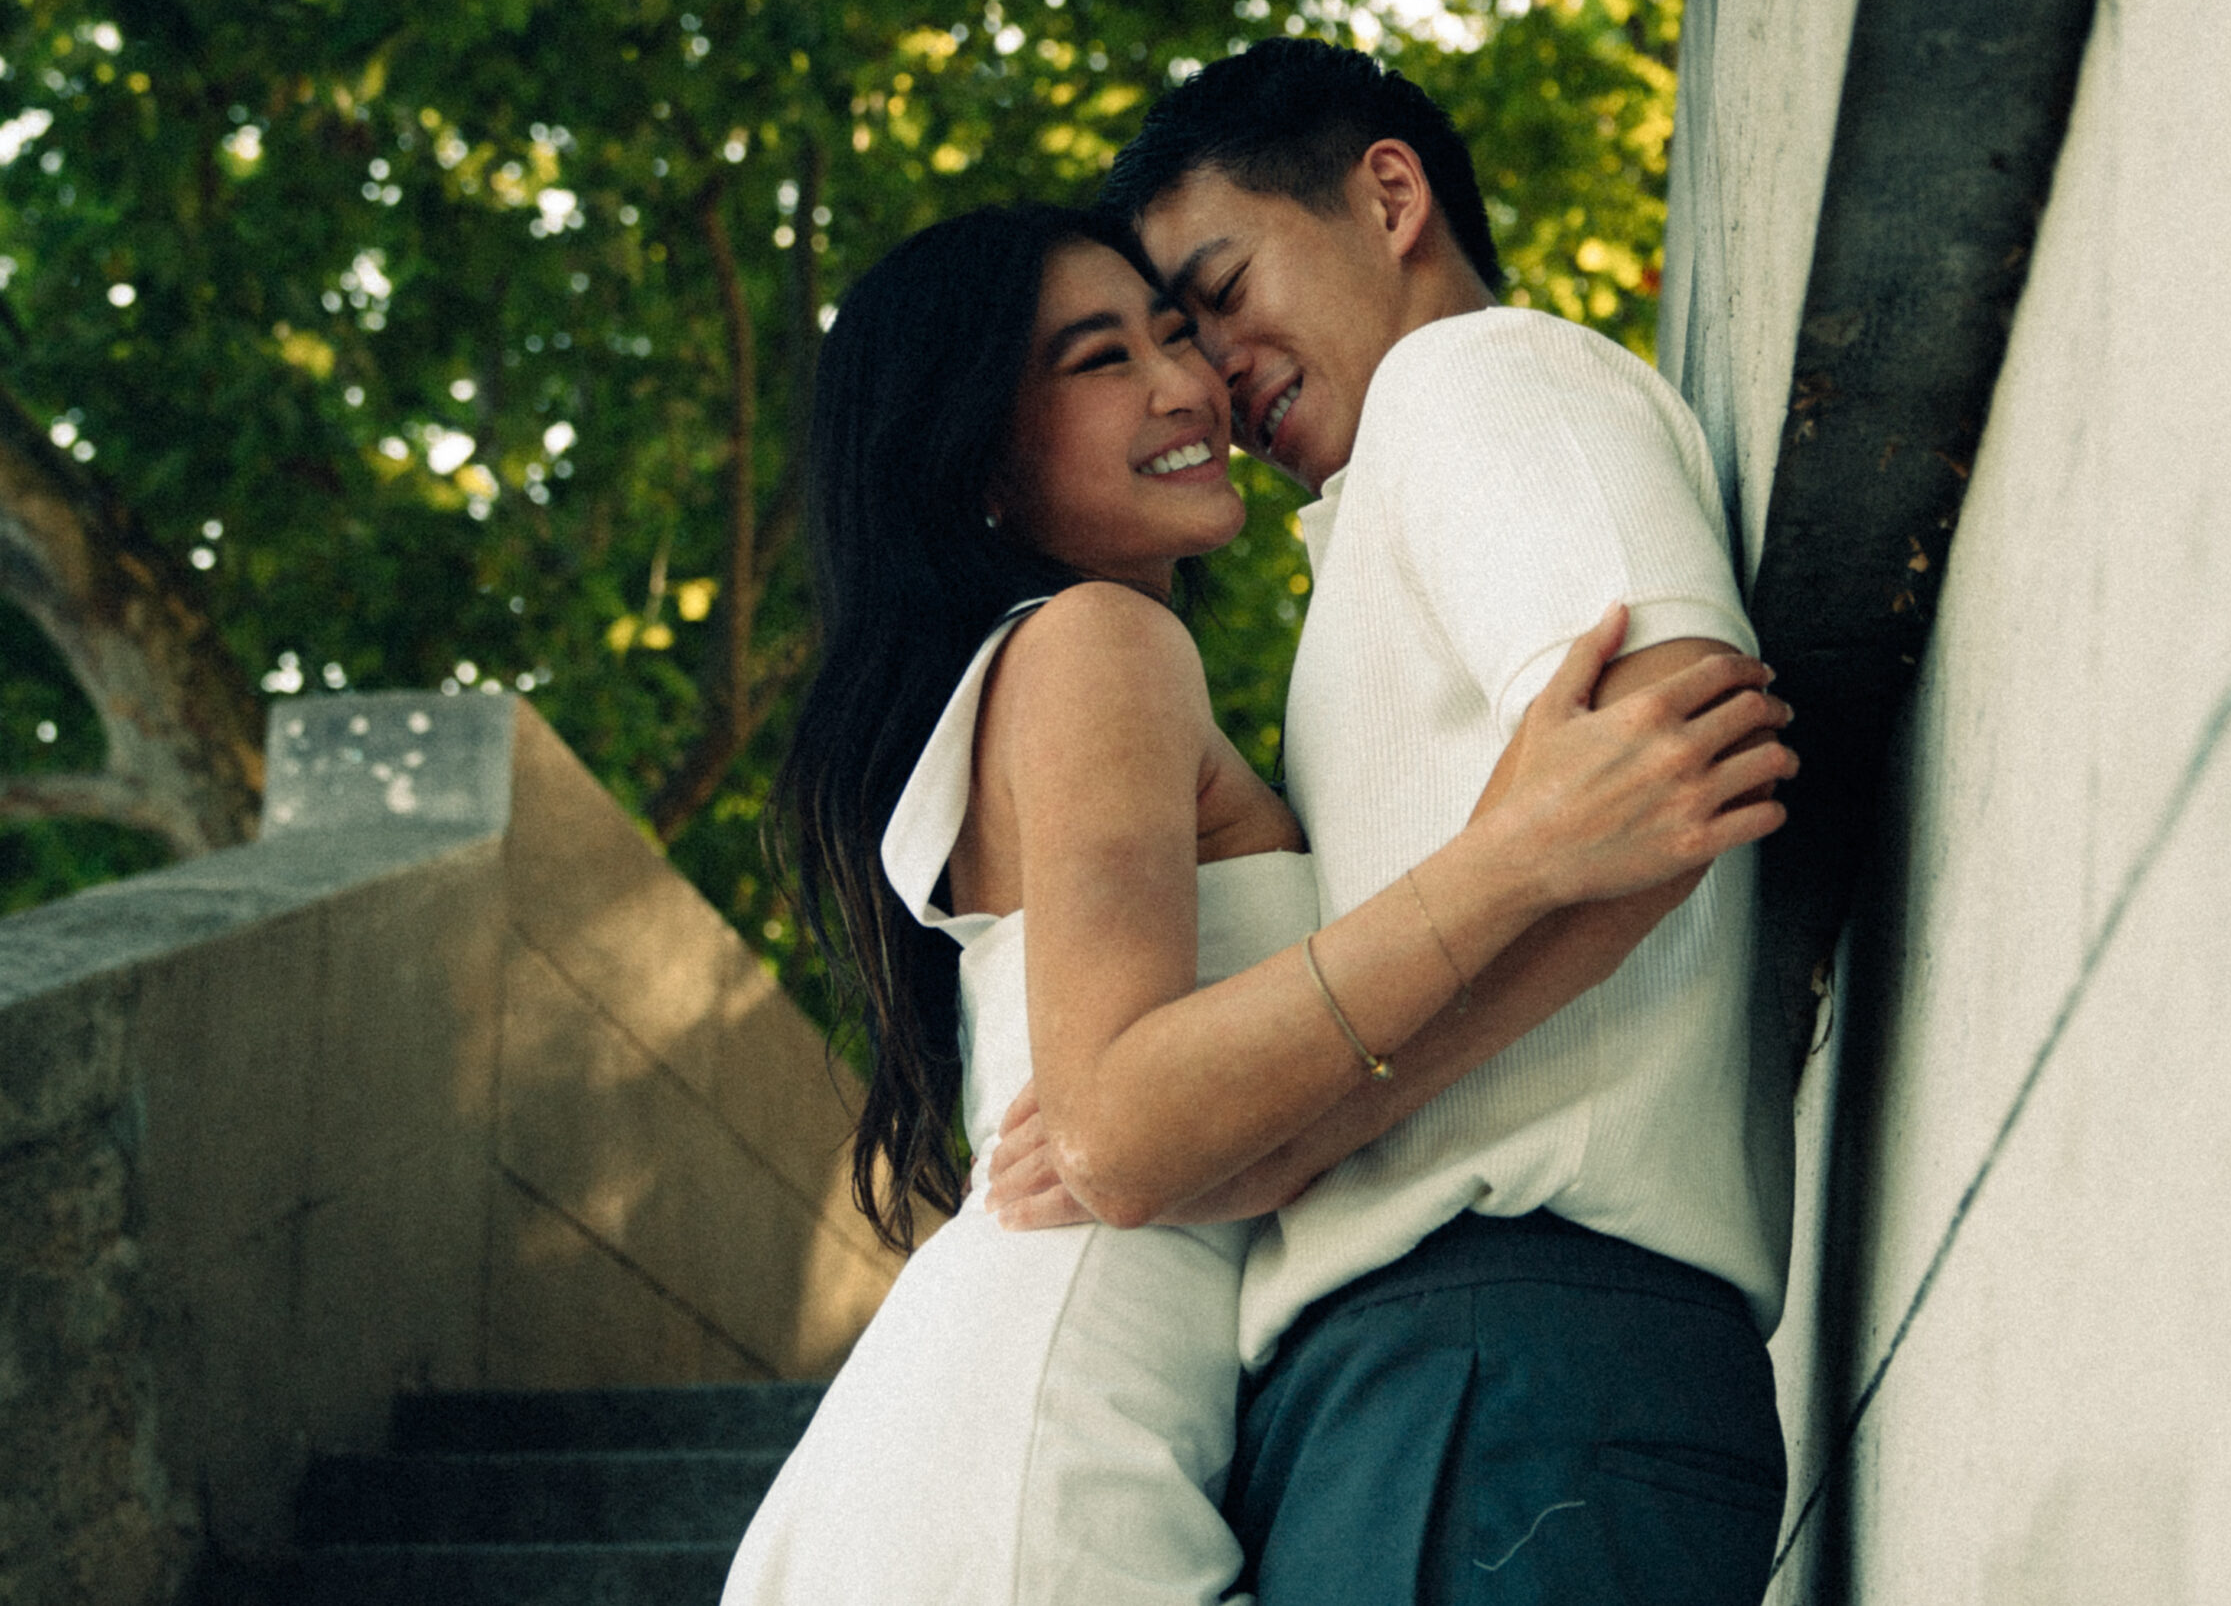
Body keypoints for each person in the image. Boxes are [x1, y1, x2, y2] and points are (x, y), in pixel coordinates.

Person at [722, 203, 1794, 1605]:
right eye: (1101, 359)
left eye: (1176, 332)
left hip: (1074, 1426)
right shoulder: (1099, 640)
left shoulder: (1062, 675)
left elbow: (1146, 1128)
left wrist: (1266, 1144)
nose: (1188, 382)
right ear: (980, 459)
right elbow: (1115, 1135)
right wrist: (1513, 851)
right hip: (1055, 1434)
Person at [1057, 37, 1799, 1603]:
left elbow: (1681, 761)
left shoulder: (1471, 378)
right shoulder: (1402, 481)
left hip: (1502, 1353)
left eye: (1221, 291)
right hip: (1460, 1379)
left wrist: (1288, 1130)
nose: (1210, 376)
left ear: (1389, 197)